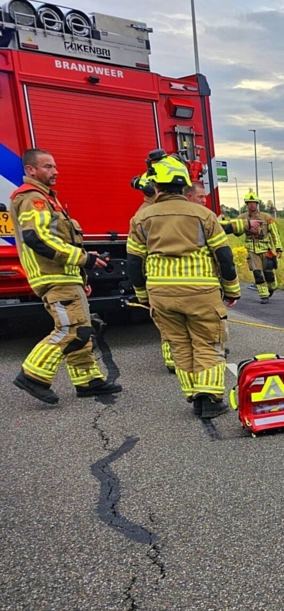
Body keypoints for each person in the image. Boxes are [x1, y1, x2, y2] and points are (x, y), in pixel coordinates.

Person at [127, 152, 240, 419]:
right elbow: (224, 256)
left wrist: (142, 295)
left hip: (160, 294)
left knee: (179, 344)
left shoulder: (141, 218)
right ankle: (210, 399)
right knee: (208, 342)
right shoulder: (204, 215)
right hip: (201, 291)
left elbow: (133, 262)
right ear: (184, 185)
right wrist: (232, 289)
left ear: (155, 185)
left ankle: (194, 396)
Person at [11, 148, 122, 404]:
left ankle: (88, 380)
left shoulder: (48, 200)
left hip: (67, 277)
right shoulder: (32, 198)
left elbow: (59, 240)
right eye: (48, 166)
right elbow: (37, 238)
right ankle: (32, 376)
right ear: (31, 170)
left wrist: (82, 271)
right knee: (70, 329)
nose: (55, 171)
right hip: (54, 277)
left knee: (83, 329)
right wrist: (83, 258)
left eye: (55, 166)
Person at [131, 171, 177, 374]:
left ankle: (175, 359)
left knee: (170, 320)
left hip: (160, 279)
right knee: (171, 321)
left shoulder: (145, 213)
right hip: (166, 276)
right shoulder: (151, 213)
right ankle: (174, 360)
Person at [222, 190, 282, 304]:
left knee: (269, 274)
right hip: (252, 250)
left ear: (257, 203)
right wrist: (245, 227)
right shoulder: (242, 217)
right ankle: (264, 296)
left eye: (253, 202)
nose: (251, 205)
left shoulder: (266, 217)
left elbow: (275, 233)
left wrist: (279, 248)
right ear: (246, 204)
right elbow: (236, 231)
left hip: (266, 249)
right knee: (258, 273)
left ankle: (271, 288)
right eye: (249, 203)